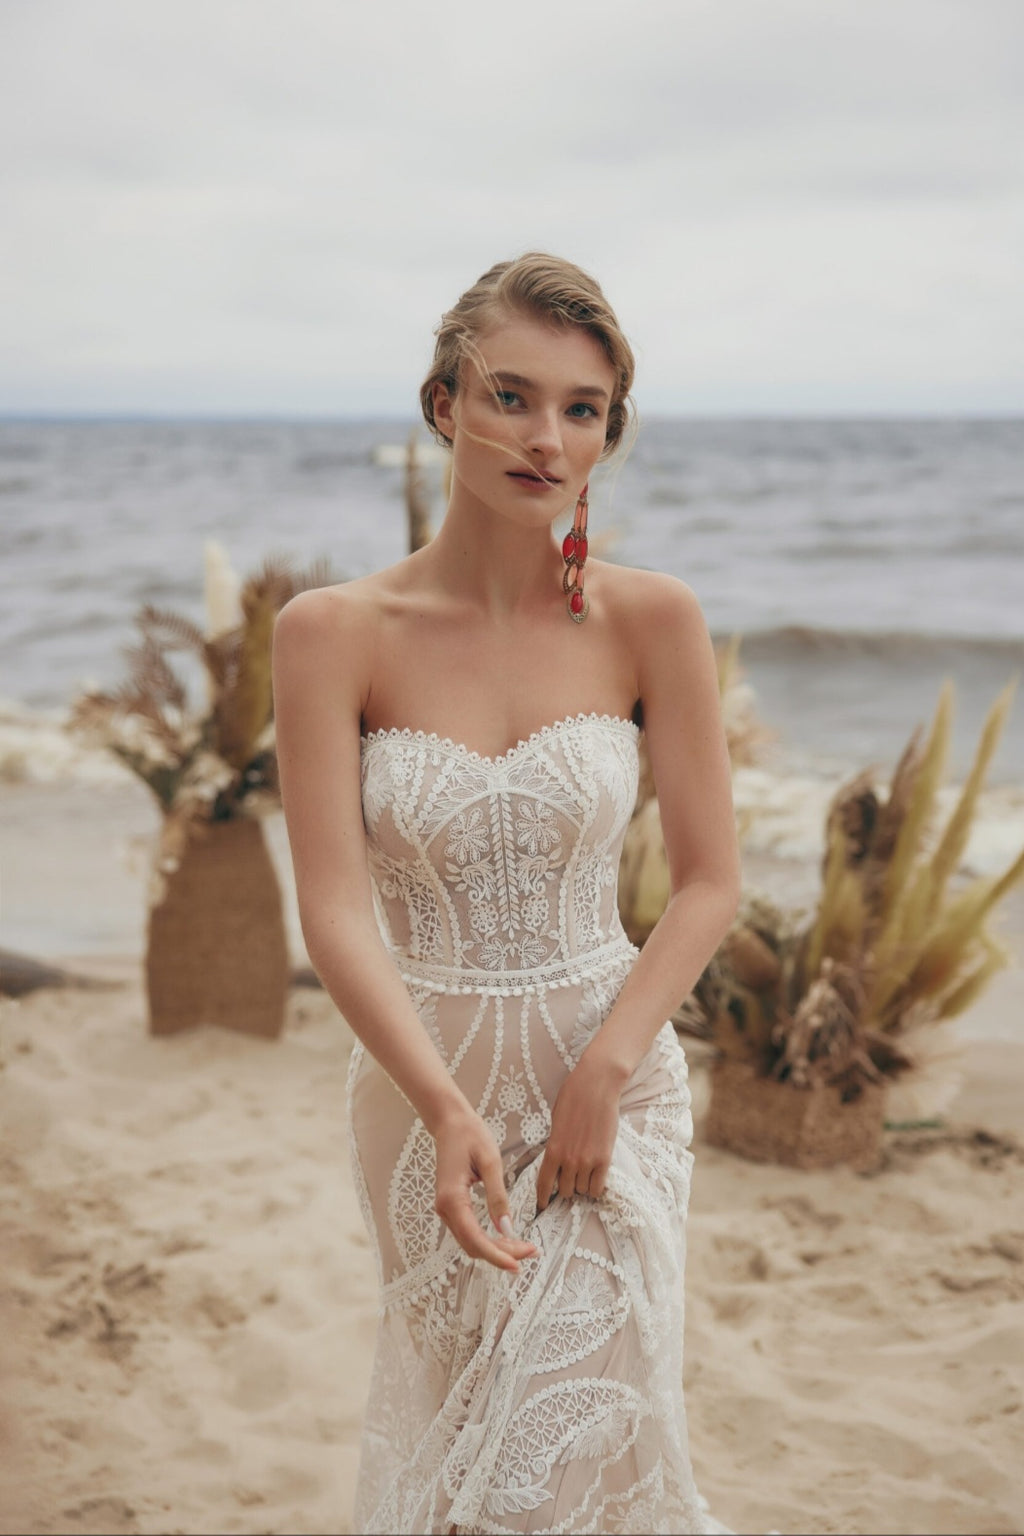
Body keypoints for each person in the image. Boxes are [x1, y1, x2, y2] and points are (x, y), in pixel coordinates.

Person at [272, 253, 741, 1535]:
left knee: (569, 1441)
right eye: (510, 397)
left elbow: (708, 883)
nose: (547, 438)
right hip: (422, 1090)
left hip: (614, 1078)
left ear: (607, 433)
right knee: (460, 1442)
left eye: (582, 409)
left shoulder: (654, 621)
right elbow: (332, 911)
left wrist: (607, 1066)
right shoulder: (332, 633)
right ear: (441, 404)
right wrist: (437, 1102)